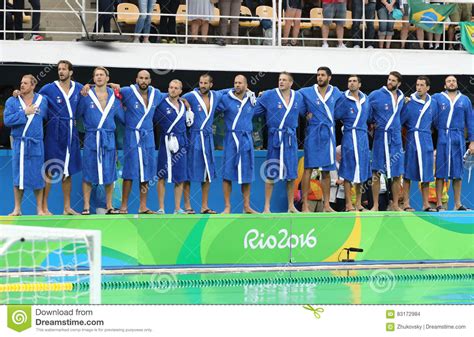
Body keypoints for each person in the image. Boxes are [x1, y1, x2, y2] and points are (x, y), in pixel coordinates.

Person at [253, 72, 306, 213]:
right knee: (271, 172)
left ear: (291, 83)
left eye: (284, 80)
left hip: (290, 140)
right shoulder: (269, 95)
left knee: (291, 174)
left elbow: (306, 110)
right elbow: (254, 110)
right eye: (279, 79)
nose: (281, 82)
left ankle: (290, 206)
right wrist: (255, 97)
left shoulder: (298, 96)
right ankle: (266, 207)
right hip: (275, 138)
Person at [37, 60, 83, 215]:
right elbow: (34, 99)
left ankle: (67, 207)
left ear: (70, 72)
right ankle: (43, 207)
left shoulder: (79, 88)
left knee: (67, 171)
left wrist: (113, 87)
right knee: (50, 170)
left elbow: (96, 94)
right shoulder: (48, 88)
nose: (61, 71)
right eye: (59, 69)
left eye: (64, 69)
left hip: (71, 132)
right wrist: (18, 94)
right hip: (54, 131)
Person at [77, 67, 124, 215]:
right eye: (96, 75)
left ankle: (109, 205)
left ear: (107, 78)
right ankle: (86, 206)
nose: (98, 77)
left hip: (108, 138)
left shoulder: (114, 97)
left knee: (110, 172)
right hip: (92, 137)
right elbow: (77, 114)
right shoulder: (86, 95)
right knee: (88, 173)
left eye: (101, 75)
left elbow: (123, 118)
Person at [118, 70, 164, 214]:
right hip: (132, 136)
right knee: (129, 172)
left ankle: (143, 206)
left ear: (150, 80)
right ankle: (123, 207)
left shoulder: (156, 94)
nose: (143, 81)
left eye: (146, 78)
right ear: (136, 79)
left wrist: (185, 101)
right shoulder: (128, 91)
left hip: (148, 137)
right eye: (141, 78)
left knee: (147, 172)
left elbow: (172, 96)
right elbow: (111, 89)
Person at [299, 66, 342, 212]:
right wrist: (305, 113)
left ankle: (326, 205)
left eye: (323, 75)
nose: (319, 77)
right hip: (313, 132)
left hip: (328, 133)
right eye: (318, 75)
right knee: (308, 168)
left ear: (329, 77)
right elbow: (292, 98)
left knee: (326, 170)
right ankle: (305, 204)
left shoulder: (336, 92)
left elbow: (350, 99)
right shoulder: (306, 92)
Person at [3, 74, 48, 216]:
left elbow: (46, 118)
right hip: (19, 143)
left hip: (36, 143)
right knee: (18, 176)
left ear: (33, 86)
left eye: (26, 83)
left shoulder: (42, 101)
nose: (22, 85)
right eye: (21, 83)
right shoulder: (12, 101)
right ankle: (17, 208)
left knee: (38, 176)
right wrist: (24, 112)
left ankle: (39, 209)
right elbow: (7, 120)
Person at [182, 74, 226, 214]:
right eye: (201, 82)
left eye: (205, 83)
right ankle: (188, 206)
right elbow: (176, 97)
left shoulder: (216, 96)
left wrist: (248, 90)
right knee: (188, 172)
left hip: (207, 138)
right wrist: (185, 103)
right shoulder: (190, 96)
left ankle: (204, 206)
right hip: (193, 137)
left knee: (207, 172)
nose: (202, 85)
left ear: (211, 85)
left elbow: (230, 91)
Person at [216, 74, 258, 214]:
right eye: (235, 83)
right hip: (231, 139)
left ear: (246, 85)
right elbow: (213, 96)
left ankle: (246, 206)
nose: (237, 85)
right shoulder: (226, 99)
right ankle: (227, 207)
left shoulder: (252, 100)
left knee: (247, 173)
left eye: (240, 83)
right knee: (227, 173)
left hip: (246, 140)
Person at [432, 75, 474, 210]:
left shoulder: (465, 100)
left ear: (457, 84)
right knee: (440, 171)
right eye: (448, 81)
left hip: (458, 137)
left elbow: (470, 122)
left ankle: (457, 204)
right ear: (445, 85)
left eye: (454, 81)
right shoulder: (437, 98)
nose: (451, 83)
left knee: (458, 171)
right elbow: (427, 108)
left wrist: (472, 141)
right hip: (443, 136)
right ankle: (439, 203)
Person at [368, 71, 405, 211]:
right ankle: (376, 205)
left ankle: (395, 204)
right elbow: (366, 111)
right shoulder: (376, 95)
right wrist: (371, 124)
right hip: (380, 137)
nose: (390, 82)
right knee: (377, 172)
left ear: (399, 83)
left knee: (396, 173)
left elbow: (402, 116)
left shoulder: (402, 97)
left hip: (395, 138)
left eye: (393, 80)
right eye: (389, 79)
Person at [154, 79, 192, 214]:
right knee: (161, 174)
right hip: (166, 141)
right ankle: (161, 208)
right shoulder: (161, 104)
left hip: (180, 142)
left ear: (181, 91)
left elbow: (188, 123)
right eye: (171, 87)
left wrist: (188, 107)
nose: (173, 90)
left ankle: (177, 208)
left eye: (176, 88)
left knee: (180, 176)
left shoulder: (184, 105)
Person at [400, 76, 437, 212]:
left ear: (427, 88)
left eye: (422, 85)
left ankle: (426, 204)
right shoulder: (409, 102)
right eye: (417, 85)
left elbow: (436, 122)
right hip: (411, 140)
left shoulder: (433, 103)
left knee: (426, 173)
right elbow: (400, 121)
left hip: (426, 140)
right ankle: (406, 204)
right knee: (408, 173)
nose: (419, 87)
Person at [334, 75, 371, 211]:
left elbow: (370, 116)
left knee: (361, 170)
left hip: (362, 137)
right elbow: (335, 115)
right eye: (349, 81)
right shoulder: (343, 99)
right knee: (348, 169)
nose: (351, 83)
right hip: (349, 136)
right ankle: (349, 204)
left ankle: (358, 203)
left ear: (359, 84)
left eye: (354, 81)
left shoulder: (366, 99)